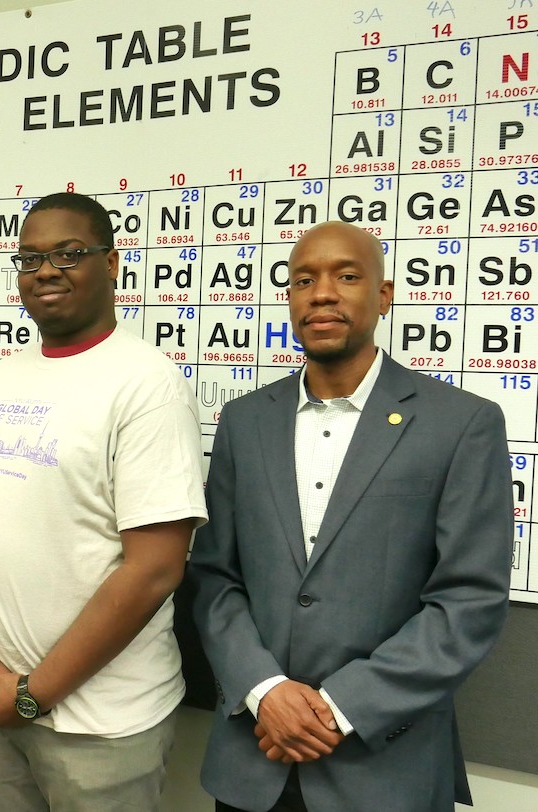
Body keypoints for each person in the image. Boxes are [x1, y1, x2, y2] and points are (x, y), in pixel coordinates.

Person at [189, 220, 513, 812]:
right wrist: (266, 691)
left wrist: (338, 709)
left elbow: (469, 599)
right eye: (303, 279)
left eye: (347, 275)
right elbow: (215, 578)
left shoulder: (462, 423)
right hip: (253, 762)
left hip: (384, 768)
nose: (322, 293)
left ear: (383, 296)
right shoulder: (244, 423)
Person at [0, 192, 208, 812]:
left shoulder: (148, 385)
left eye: (69, 254)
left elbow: (156, 569)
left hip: (99, 727)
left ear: (111, 264)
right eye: (29, 258)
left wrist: (34, 693)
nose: (46, 271)